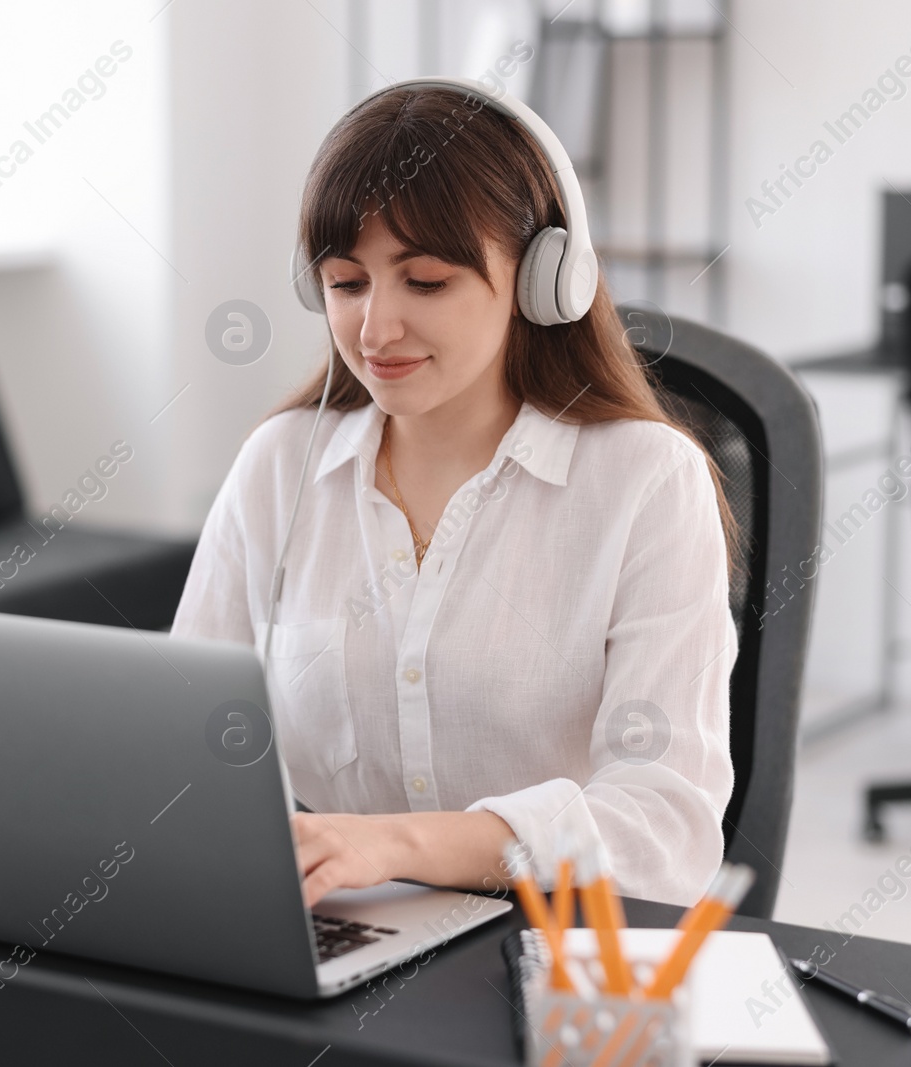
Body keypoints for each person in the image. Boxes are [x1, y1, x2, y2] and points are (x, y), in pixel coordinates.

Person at [170, 84, 739, 910]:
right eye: (346, 282)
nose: (374, 330)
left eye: (426, 282)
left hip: (559, 944)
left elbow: (665, 827)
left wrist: (399, 842)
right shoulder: (280, 467)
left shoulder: (646, 482)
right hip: (342, 929)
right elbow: (185, 745)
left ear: (544, 279)